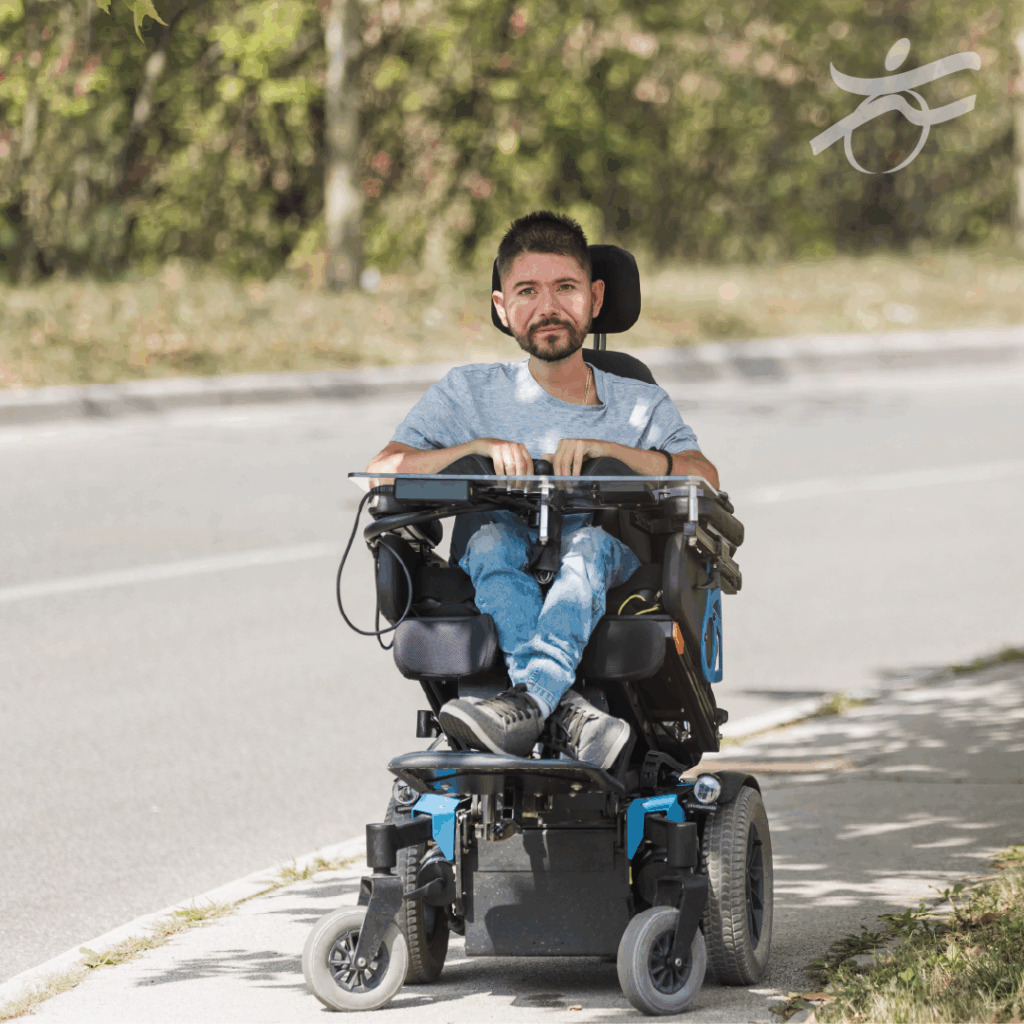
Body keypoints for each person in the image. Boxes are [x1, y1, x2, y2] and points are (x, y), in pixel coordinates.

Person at [365, 211, 719, 770]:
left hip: (602, 558)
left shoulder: (638, 403)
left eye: (566, 288)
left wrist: (614, 454)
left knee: (587, 548)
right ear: (503, 307)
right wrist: (472, 449)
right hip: (495, 554)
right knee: (488, 540)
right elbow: (385, 468)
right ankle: (565, 709)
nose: (548, 307)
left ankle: (529, 702)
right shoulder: (468, 392)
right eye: (527, 291)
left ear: (595, 298)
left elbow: (705, 476)